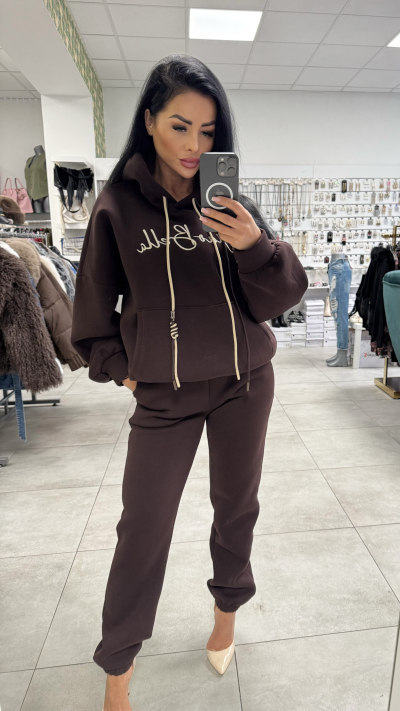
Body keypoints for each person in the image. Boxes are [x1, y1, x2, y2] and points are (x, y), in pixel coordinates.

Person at [71, 54, 308, 711]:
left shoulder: (229, 202)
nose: (193, 145)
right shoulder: (116, 207)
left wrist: (255, 247)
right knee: (143, 527)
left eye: (208, 132)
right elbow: (92, 314)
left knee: (236, 507)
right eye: (180, 126)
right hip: (163, 395)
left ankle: (226, 616)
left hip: (243, 383)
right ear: (149, 120)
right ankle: (117, 669)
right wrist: (124, 370)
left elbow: (279, 298)